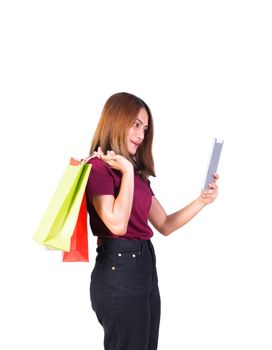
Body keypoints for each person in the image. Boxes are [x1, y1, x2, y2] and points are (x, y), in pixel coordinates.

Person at [85, 92, 219, 350]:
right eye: (136, 124)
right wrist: (124, 170)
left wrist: (202, 200)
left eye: (145, 128)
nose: (141, 134)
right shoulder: (97, 168)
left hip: (145, 267)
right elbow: (117, 225)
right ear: (116, 120)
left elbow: (165, 224)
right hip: (118, 270)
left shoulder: (135, 176)